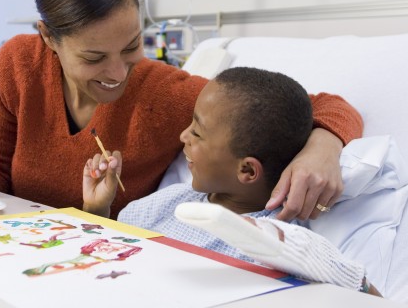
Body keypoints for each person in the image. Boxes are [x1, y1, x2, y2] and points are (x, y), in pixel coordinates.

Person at [0, 0, 363, 221]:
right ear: (48, 38)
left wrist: (322, 148)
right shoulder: (18, 63)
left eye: (130, 46)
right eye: (93, 57)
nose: (117, 73)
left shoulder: (163, 92)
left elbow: (320, 105)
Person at [82, 67, 380, 295]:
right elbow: (103, 257)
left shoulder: (279, 246)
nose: (183, 136)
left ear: (248, 171)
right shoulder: (166, 203)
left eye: (197, 133)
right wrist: (96, 212)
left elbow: (369, 297)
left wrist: (341, 273)